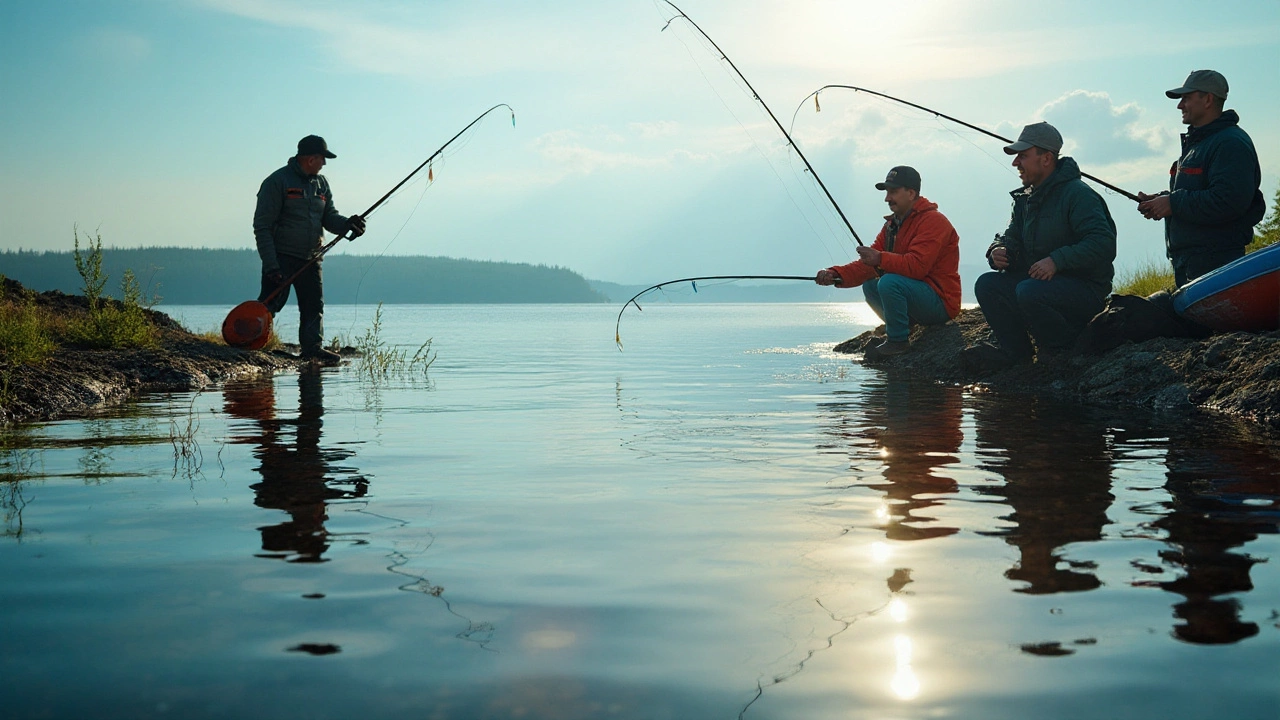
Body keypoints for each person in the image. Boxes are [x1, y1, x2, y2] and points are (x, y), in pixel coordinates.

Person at [964, 122, 1116, 371]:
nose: (1016, 163)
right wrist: (998, 251)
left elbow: (1103, 243)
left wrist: (1057, 260)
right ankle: (1016, 354)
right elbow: (1010, 236)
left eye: (1023, 156)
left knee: (1029, 291)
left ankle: (1061, 351)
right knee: (987, 284)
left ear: (1046, 159)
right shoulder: (1025, 198)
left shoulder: (1078, 195)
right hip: (1040, 285)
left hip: (1085, 292)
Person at [815, 166, 960, 361]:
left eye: (893, 192)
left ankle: (898, 342)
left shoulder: (934, 222)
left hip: (941, 302)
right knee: (871, 284)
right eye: (887, 192)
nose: (887, 198)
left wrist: (880, 258)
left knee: (889, 282)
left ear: (911, 193)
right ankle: (903, 327)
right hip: (918, 297)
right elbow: (867, 266)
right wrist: (834, 274)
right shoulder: (892, 225)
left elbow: (917, 267)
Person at [1136, 70, 1266, 288]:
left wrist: (1172, 204)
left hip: (1217, 264)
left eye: (1186, 98)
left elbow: (1227, 201)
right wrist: (1162, 201)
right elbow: (1200, 192)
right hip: (1192, 264)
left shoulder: (1230, 143)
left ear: (1208, 99)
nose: (1180, 105)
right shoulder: (1200, 142)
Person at [253, 135, 366, 364]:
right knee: (269, 305)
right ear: (311, 158)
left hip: (312, 258)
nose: (325, 164)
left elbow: (329, 217)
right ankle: (251, 344)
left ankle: (312, 349)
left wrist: (348, 224)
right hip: (281, 257)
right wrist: (271, 264)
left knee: (314, 306)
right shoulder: (276, 182)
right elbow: (262, 227)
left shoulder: (322, 183)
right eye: (323, 159)